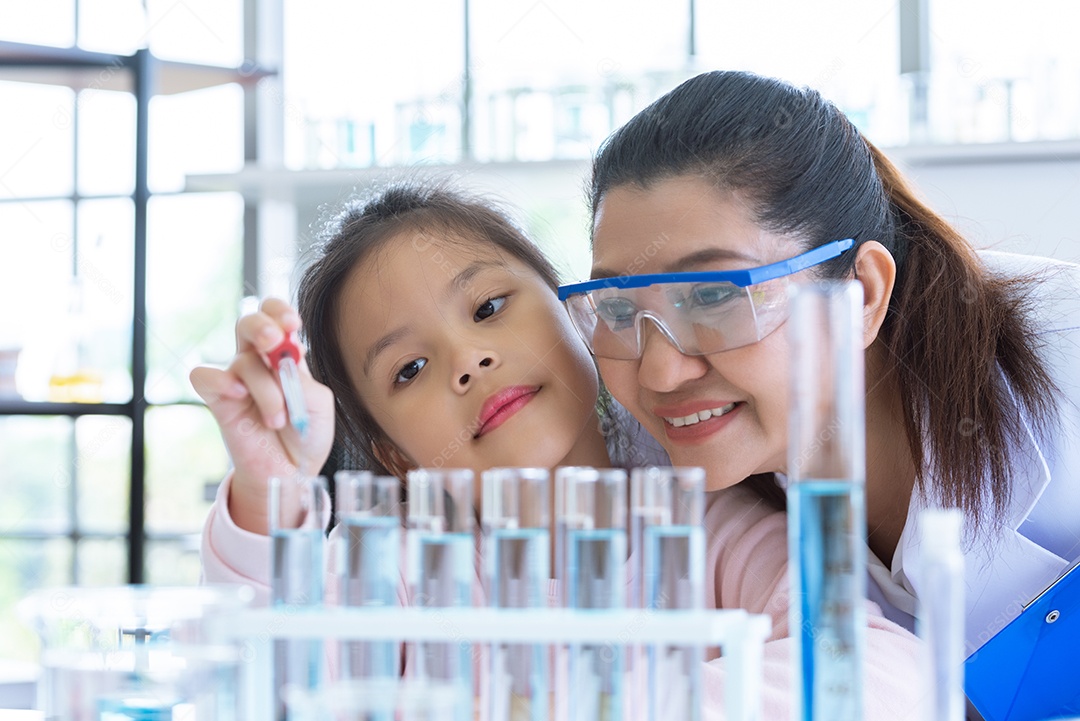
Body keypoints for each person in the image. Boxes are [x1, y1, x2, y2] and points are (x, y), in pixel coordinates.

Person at [195, 180, 923, 719]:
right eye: (408, 369)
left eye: (488, 308)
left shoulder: (707, 524)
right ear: (396, 456)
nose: (468, 360)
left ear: (581, 314)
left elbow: (877, 672)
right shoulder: (393, 560)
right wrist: (270, 490)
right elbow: (264, 685)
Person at [559, 69, 1080, 656]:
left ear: (863, 290)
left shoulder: (1067, 354)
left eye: (713, 295)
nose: (659, 372)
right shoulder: (661, 450)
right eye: (619, 308)